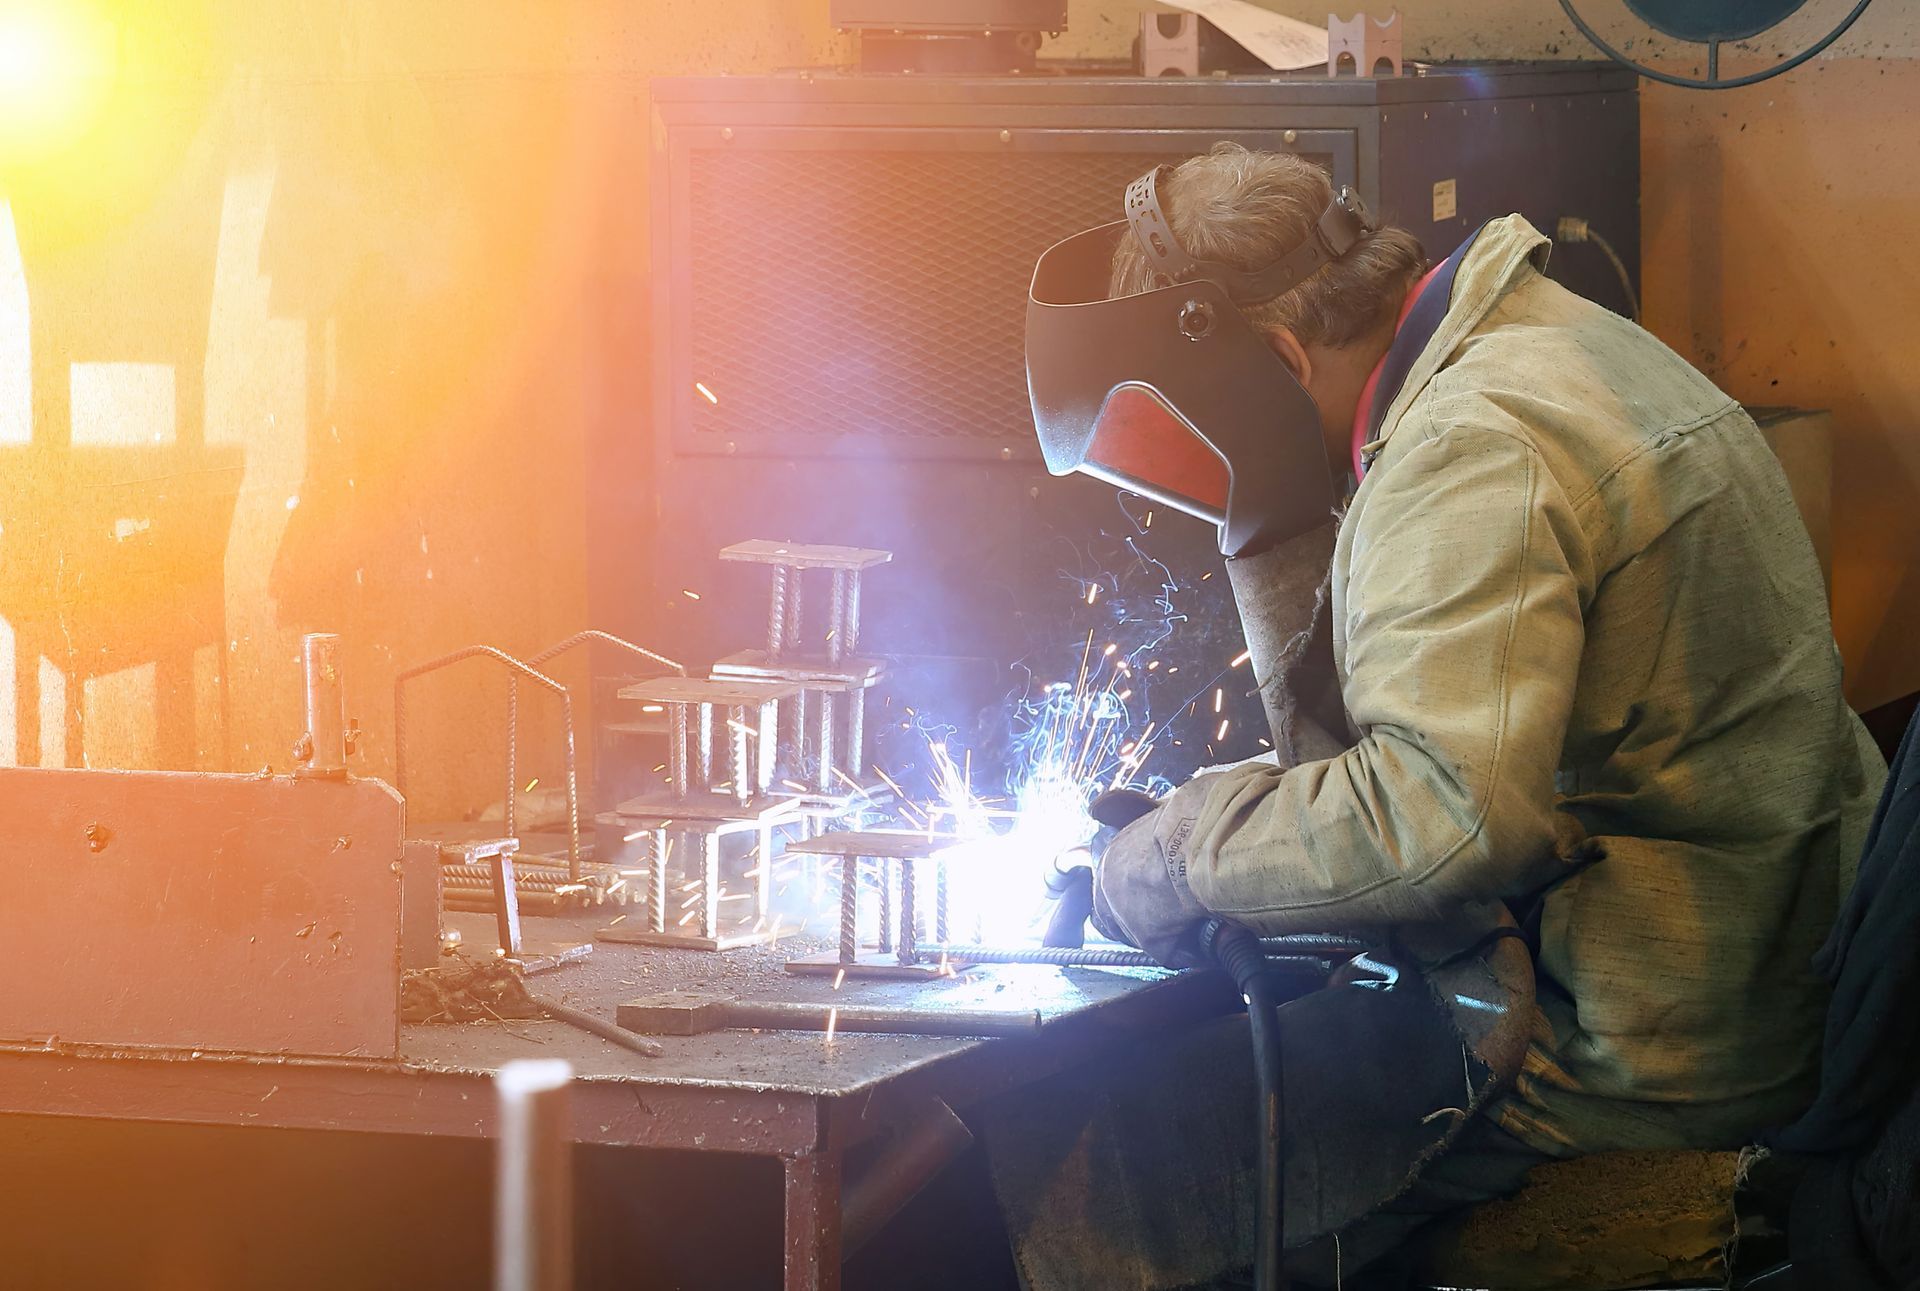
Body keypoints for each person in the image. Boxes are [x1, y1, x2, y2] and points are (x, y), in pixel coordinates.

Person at [1021, 142, 1887, 1286]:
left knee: (1091, 1164)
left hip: (1633, 1059)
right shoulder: (1543, 340)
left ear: (1281, 354)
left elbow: (1443, 815)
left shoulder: (1466, 446)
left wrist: (1173, 855)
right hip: (1755, 976)